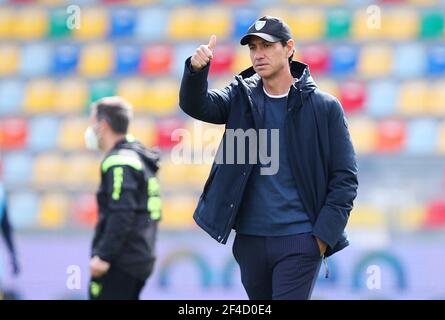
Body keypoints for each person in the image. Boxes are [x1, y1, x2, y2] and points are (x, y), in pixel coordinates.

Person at [179, 16, 358, 300]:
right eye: (252, 47)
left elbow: (345, 178)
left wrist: (322, 239)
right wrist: (196, 70)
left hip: (300, 240)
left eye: (266, 46)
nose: (258, 54)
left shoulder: (324, 107)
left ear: (289, 48)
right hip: (250, 241)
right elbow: (198, 105)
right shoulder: (240, 96)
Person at [85, 96, 161, 300]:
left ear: (104, 125)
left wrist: (103, 256)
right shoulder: (138, 157)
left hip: (122, 260)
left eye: (92, 123)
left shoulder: (120, 162)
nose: (90, 130)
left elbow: (121, 213)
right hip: (140, 255)